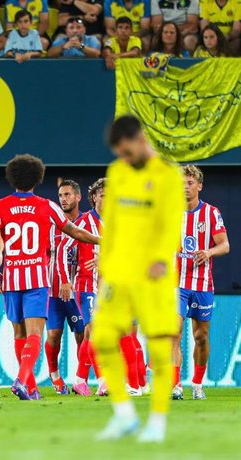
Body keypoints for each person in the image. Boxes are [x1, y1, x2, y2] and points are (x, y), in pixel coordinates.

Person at [93, 115, 185, 442]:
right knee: (101, 339)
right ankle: (125, 415)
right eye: (119, 153)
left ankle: (157, 421)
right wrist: (104, 269)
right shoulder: (117, 173)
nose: (124, 158)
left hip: (154, 275)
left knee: (160, 348)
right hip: (119, 273)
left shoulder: (168, 175)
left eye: (127, 151)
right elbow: (112, 225)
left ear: (141, 139)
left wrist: (161, 258)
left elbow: (172, 221)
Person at [0, 154, 100, 401]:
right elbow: (74, 231)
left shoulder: (0, 205)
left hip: (12, 279)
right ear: (37, 178)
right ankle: (22, 380)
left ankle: (30, 385)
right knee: (36, 334)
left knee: (19, 334)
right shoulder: (46, 206)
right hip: (36, 279)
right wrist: (102, 239)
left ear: (12, 177)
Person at [172, 165, 230, 400]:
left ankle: (197, 383)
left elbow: (225, 245)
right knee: (173, 333)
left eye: (190, 183)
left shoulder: (211, 213)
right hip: (176, 284)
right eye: (182, 183)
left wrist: (208, 252)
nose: (185, 188)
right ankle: (176, 385)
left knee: (201, 337)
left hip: (203, 285)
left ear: (199, 186)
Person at [57, 179, 111, 397]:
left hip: (108, 287)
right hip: (86, 284)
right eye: (102, 195)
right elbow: (63, 248)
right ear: (94, 197)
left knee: (90, 334)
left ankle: (80, 379)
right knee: (95, 331)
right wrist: (65, 280)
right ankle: (104, 381)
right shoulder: (85, 222)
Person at [44, 180, 86, 395]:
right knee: (53, 335)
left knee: (83, 334)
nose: (64, 199)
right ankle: (56, 378)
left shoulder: (87, 224)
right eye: (61, 195)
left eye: (68, 195)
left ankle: (81, 379)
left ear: (78, 197)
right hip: (53, 291)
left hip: (78, 290)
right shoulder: (51, 224)